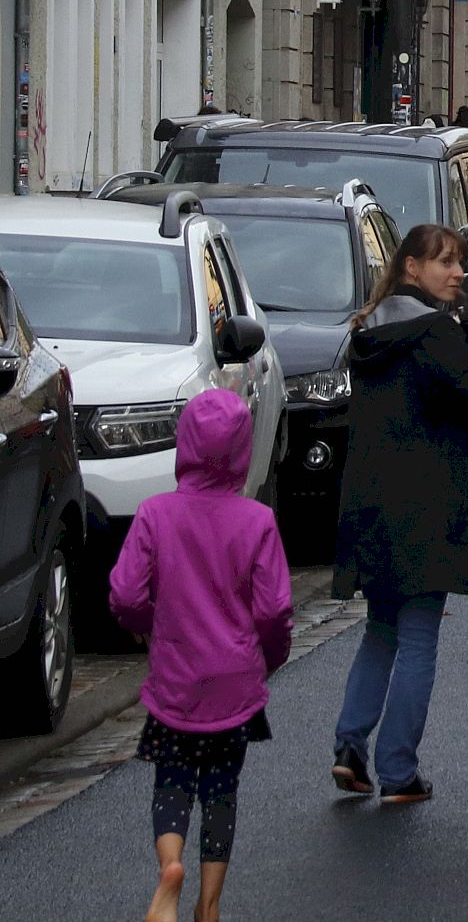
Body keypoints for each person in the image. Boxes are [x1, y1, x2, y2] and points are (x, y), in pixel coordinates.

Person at [331, 224, 468, 804]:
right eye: (444, 262)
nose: (457, 273)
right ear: (410, 269)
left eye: (460, 263)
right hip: (424, 507)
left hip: (374, 503)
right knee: (419, 634)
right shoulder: (431, 333)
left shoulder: (370, 332)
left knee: (381, 629)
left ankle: (351, 745)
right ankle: (398, 768)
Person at [110, 390, 292, 922]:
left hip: (175, 680)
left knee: (172, 781)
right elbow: (275, 610)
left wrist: (147, 627)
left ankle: (170, 866)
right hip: (234, 683)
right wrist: (268, 659)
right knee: (220, 791)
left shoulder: (155, 515)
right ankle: (208, 906)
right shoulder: (256, 520)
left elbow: (124, 593)